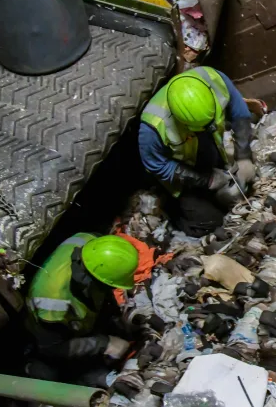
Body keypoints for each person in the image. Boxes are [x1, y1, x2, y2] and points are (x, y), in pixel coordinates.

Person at [139, 66, 255, 236]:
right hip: (181, 170)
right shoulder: (152, 128)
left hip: (206, 146)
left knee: (240, 189)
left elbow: (241, 114)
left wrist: (244, 157)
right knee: (210, 224)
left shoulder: (213, 79)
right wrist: (206, 180)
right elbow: (157, 166)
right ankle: (174, 213)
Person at [25, 234, 138, 384]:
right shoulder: (51, 301)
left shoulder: (92, 244)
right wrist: (105, 344)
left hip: (79, 316)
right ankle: (28, 368)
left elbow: (103, 282)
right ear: (91, 280)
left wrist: (116, 318)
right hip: (45, 338)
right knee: (53, 376)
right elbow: (52, 348)